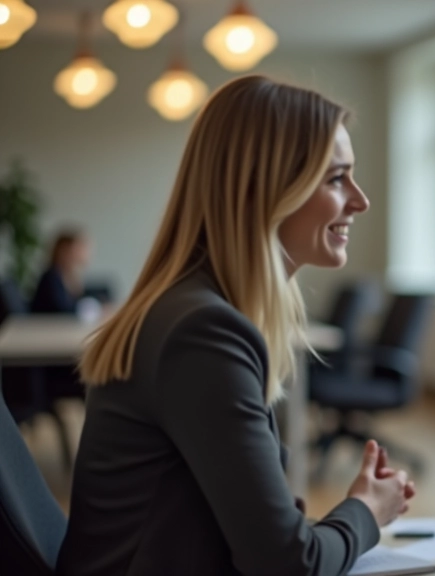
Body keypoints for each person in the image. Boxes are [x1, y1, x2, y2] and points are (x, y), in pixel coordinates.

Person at [57, 76, 415, 576]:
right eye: (336, 178)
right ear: (265, 190)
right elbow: (288, 564)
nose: (360, 200)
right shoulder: (201, 332)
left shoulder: (192, 311)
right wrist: (366, 512)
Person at [31, 228, 91, 315]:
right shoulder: (51, 278)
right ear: (64, 251)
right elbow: (62, 309)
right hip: (44, 326)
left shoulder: (67, 277)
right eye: (78, 249)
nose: (83, 254)